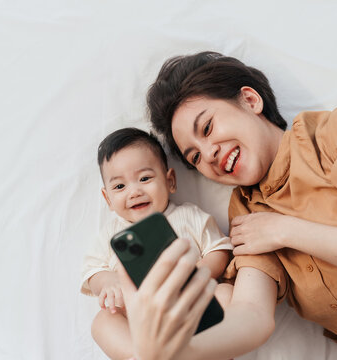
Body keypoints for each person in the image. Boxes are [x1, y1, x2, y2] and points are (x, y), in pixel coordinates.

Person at [123, 51, 337, 360]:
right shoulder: (247, 214)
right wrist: (183, 350)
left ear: (250, 100)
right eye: (194, 157)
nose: (210, 154)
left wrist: (287, 231)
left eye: (208, 127)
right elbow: (252, 314)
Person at [80, 127, 233, 359]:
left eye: (144, 178)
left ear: (170, 181)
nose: (134, 192)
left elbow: (219, 250)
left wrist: (196, 273)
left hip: (192, 311)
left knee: (225, 293)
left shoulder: (189, 216)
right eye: (120, 186)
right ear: (107, 199)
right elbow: (93, 271)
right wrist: (109, 282)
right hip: (142, 324)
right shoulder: (112, 235)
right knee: (103, 321)